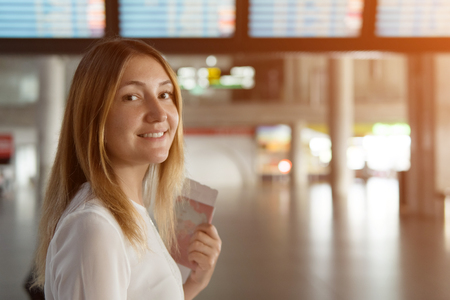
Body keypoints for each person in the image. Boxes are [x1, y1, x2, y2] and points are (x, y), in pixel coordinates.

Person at [31, 38, 222, 299]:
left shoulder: (126, 213)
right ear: (94, 115)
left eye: (164, 94)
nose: (159, 114)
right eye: (131, 97)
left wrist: (194, 284)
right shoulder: (95, 227)